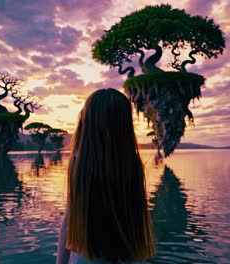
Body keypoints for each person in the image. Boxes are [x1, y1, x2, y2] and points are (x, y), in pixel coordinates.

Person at [56, 88, 156, 264]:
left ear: (88, 120)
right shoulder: (132, 162)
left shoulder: (81, 161)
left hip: (87, 257)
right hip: (129, 255)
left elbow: (68, 221)